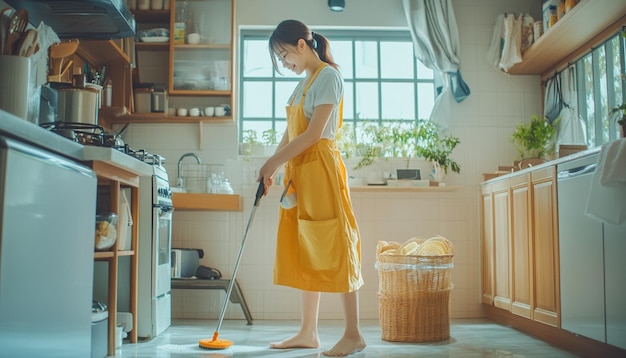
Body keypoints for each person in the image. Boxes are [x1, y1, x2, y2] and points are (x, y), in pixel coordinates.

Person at [257, 19, 366, 357]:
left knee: (334, 244)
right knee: (308, 246)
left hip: (321, 171)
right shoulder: (302, 83)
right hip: (300, 174)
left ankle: (353, 334)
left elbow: (314, 134)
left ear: (302, 46)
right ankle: (308, 332)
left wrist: (271, 164)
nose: (284, 63)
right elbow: (291, 133)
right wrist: (272, 165)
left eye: (284, 55)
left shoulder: (329, 77)